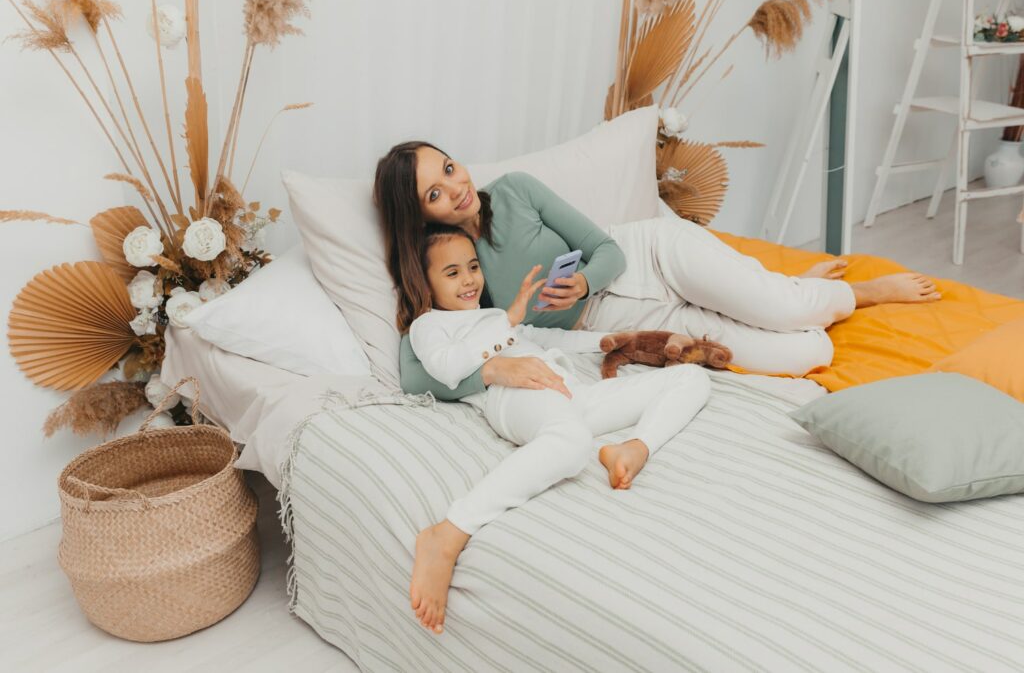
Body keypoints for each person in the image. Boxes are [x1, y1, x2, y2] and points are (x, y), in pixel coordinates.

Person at [373, 141, 941, 399]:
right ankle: (785, 288)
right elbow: (416, 375)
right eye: (435, 192)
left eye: (450, 168)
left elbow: (604, 247)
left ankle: (852, 292)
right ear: (417, 214)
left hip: (647, 255)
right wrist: (493, 372)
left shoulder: (515, 190)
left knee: (785, 309)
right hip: (620, 317)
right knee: (805, 354)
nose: (457, 187)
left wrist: (587, 279)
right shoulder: (445, 269)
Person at [406, 223, 712, 635]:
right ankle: (448, 531)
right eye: (452, 272)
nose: (468, 280)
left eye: (473, 266)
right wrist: (508, 321)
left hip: (572, 395)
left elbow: (550, 338)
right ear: (425, 283)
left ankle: (635, 447)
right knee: (571, 444)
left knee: (691, 379)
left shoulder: (495, 317)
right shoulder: (430, 325)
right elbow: (446, 368)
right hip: (515, 396)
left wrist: (626, 339)